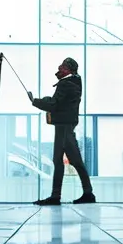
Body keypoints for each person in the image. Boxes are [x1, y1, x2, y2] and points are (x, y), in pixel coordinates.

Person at [29, 57, 96, 206]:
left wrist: (36, 101)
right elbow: (59, 103)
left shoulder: (67, 84)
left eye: (62, 67)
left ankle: (65, 195)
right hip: (64, 126)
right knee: (64, 161)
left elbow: (54, 104)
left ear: (69, 70)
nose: (59, 68)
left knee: (69, 161)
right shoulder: (72, 83)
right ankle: (81, 193)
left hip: (64, 127)